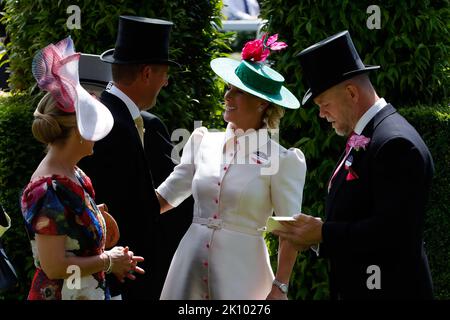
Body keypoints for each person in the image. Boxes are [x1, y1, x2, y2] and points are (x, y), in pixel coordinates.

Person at [274, 31, 434, 299]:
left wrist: (322, 233)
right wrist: (314, 233)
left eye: (323, 104)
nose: (322, 114)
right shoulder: (371, 133)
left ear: (351, 92)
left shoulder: (395, 143)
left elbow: (392, 234)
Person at [156, 33, 306, 300]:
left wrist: (280, 287)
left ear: (262, 103)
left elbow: (289, 232)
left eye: (237, 91)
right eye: (227, 88)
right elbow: (165, 196)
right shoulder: (202, 141)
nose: (227, 96)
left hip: (244, 278)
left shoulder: (282, 160)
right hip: (187, 270)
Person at [20, 37, 144, 300]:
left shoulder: (74, 173)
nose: (98, 136)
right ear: (78, 132)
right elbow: (54, 266)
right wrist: (109, 260)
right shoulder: (47, 189)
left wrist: (93, 221)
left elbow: (72, 242)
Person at [78, 15, 192, 300]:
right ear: (146, 73)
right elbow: (130, 211)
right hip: (124, 279)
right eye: (164, 73)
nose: (165, 82)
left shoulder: (115, 116)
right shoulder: (114, 125)